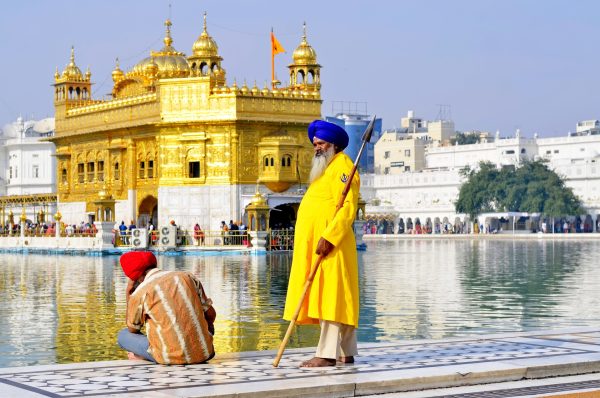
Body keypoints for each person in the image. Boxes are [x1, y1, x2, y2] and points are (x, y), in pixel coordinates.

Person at [283, 119, 360, 368]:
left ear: (334, 145)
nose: (317, 147)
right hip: (320, 244)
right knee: (340, 296)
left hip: (331, 244)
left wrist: (329, 236)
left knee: (332, 296)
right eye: (315, 144)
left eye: (321, 144)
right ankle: (345, 352)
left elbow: (348, 206)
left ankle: (326, 354)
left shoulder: (344, 166)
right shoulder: (325, 168)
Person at [117, 251, 216, 364]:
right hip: (205, 353)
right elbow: (211, 314)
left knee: (123, 335)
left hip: (168, 358)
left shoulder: (140, 293)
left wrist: (128, 293)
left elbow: (133, 328)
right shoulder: (187, 277)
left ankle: (148, 356)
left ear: (134, 277)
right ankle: (198, 347)